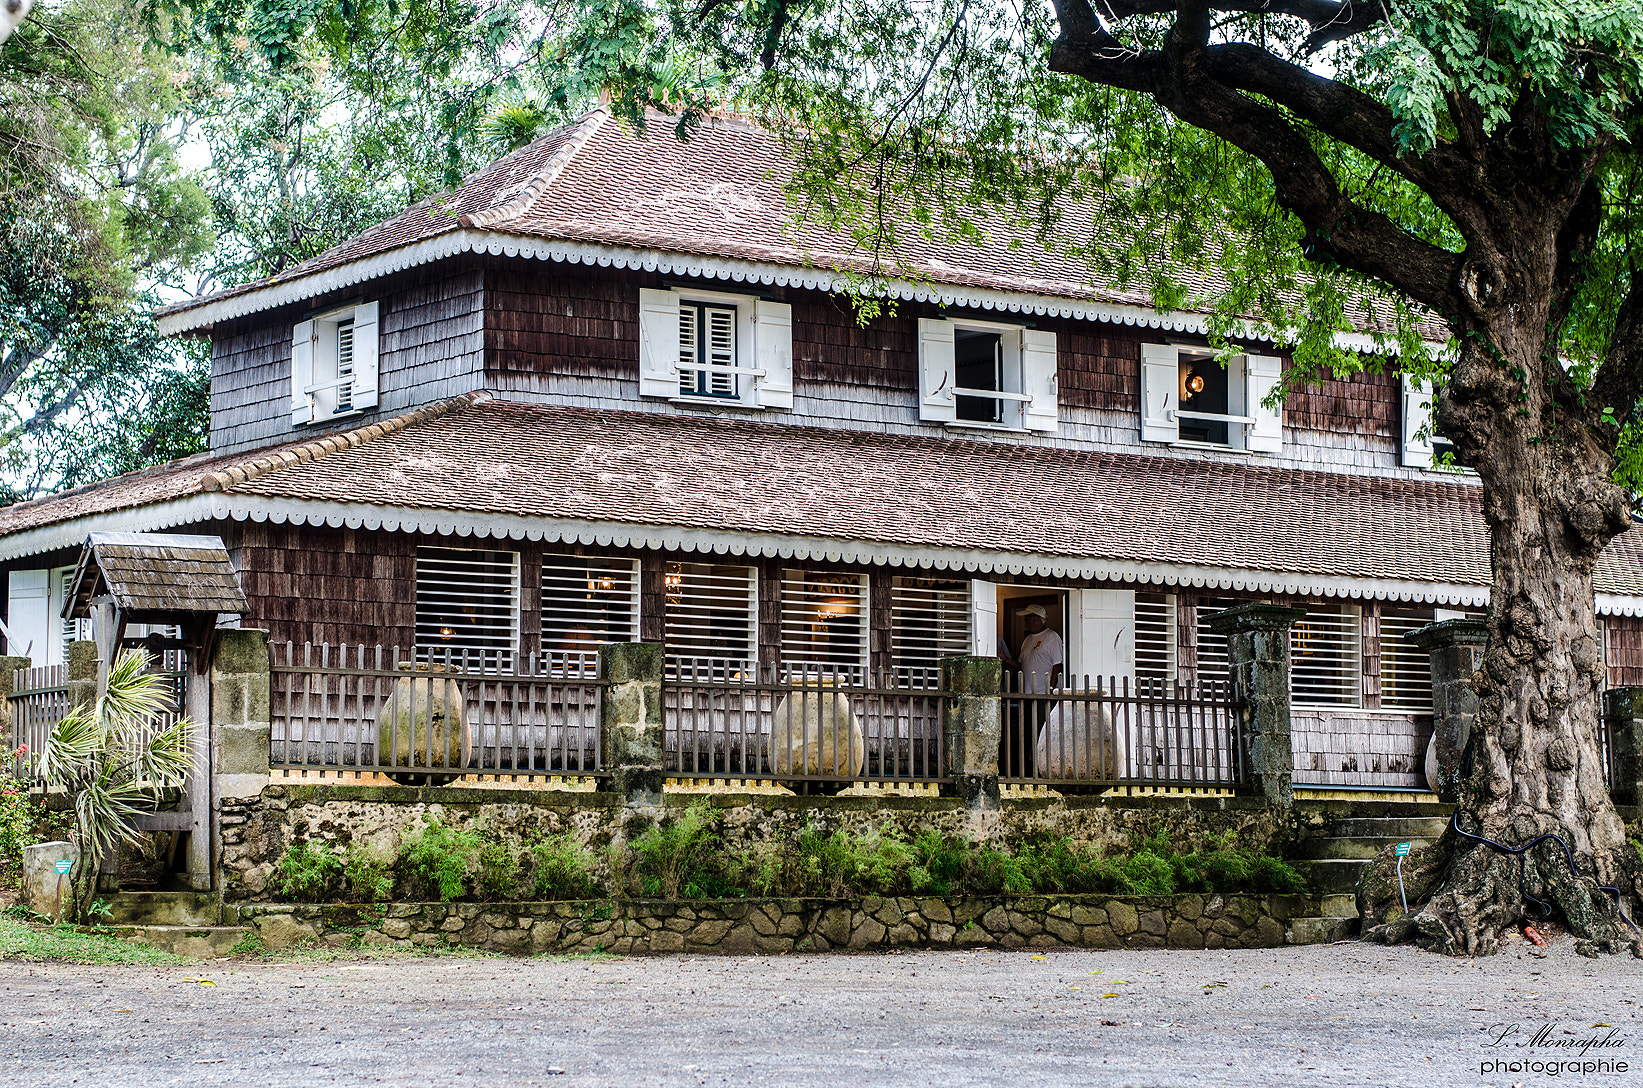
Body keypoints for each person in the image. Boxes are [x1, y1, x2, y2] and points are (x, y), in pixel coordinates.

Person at [1016, 605, 1064, 694]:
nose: (1024, 620)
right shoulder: (1027, 639)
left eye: (1026, 618)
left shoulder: (1052, 637)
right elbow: (1021, 664)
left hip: (1043, 693)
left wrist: (1051, 689)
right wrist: (1005, 659)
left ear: (1036, 619)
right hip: (1027, 693)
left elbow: (1058, 665)